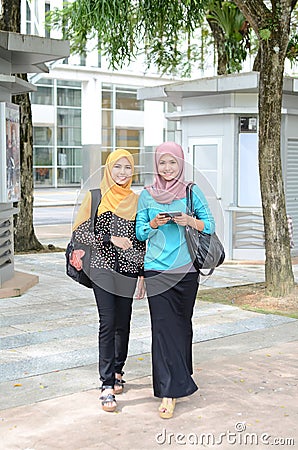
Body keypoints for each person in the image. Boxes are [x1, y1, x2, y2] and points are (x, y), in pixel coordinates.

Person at [136, 142, 215, 419]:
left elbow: (210, 225)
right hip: (156, 269)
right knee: (163, 329)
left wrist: (188, 221)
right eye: (162, 163)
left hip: (186, 272)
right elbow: (140, 232)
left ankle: (183, 371)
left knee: (182, 325)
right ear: (155, 165)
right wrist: (154, 225)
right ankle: (168, 390)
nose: (167, 168)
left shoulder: (192, 191)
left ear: (181, 163)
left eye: (172, 163)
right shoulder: (146, 195)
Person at [70, 149, 146, 412]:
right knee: (108, 321)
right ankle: (105, 384)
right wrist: (109, 238)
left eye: (127, 167)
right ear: (109, 169)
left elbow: (140, 240)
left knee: (123, 321)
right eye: (118, 167)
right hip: (100, 267)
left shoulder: (137, 201)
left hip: (127, 269)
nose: (122, 173)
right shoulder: (96, 197)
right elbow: (80, 232)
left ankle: (118, 370)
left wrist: (142, 274)